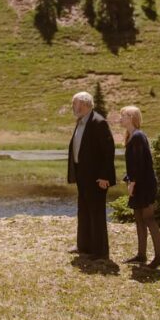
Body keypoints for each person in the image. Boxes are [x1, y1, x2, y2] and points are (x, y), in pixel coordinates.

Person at [67, 91, 116, 259]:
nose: (73, 107)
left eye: (75, 104)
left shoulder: (98, 122)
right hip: (83, 174)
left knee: (96, 212)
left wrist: (105, 176)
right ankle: (84, 246)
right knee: (84, 209)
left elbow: (108, 151)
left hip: (97, 177)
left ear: (85, 104)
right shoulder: (81, 121)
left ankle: (99, 251)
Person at [119, 106, 160, 267]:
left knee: (148, 218)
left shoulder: (138, 136)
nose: (120, 118)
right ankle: (141, 254)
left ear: (131, 117)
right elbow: (134, 164)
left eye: (123, 115)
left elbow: (139, 164)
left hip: (144, 184)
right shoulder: (132, 136)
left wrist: (132, 183)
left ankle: (159, 257)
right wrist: (129, 179)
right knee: (138, 218)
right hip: (139, 183)